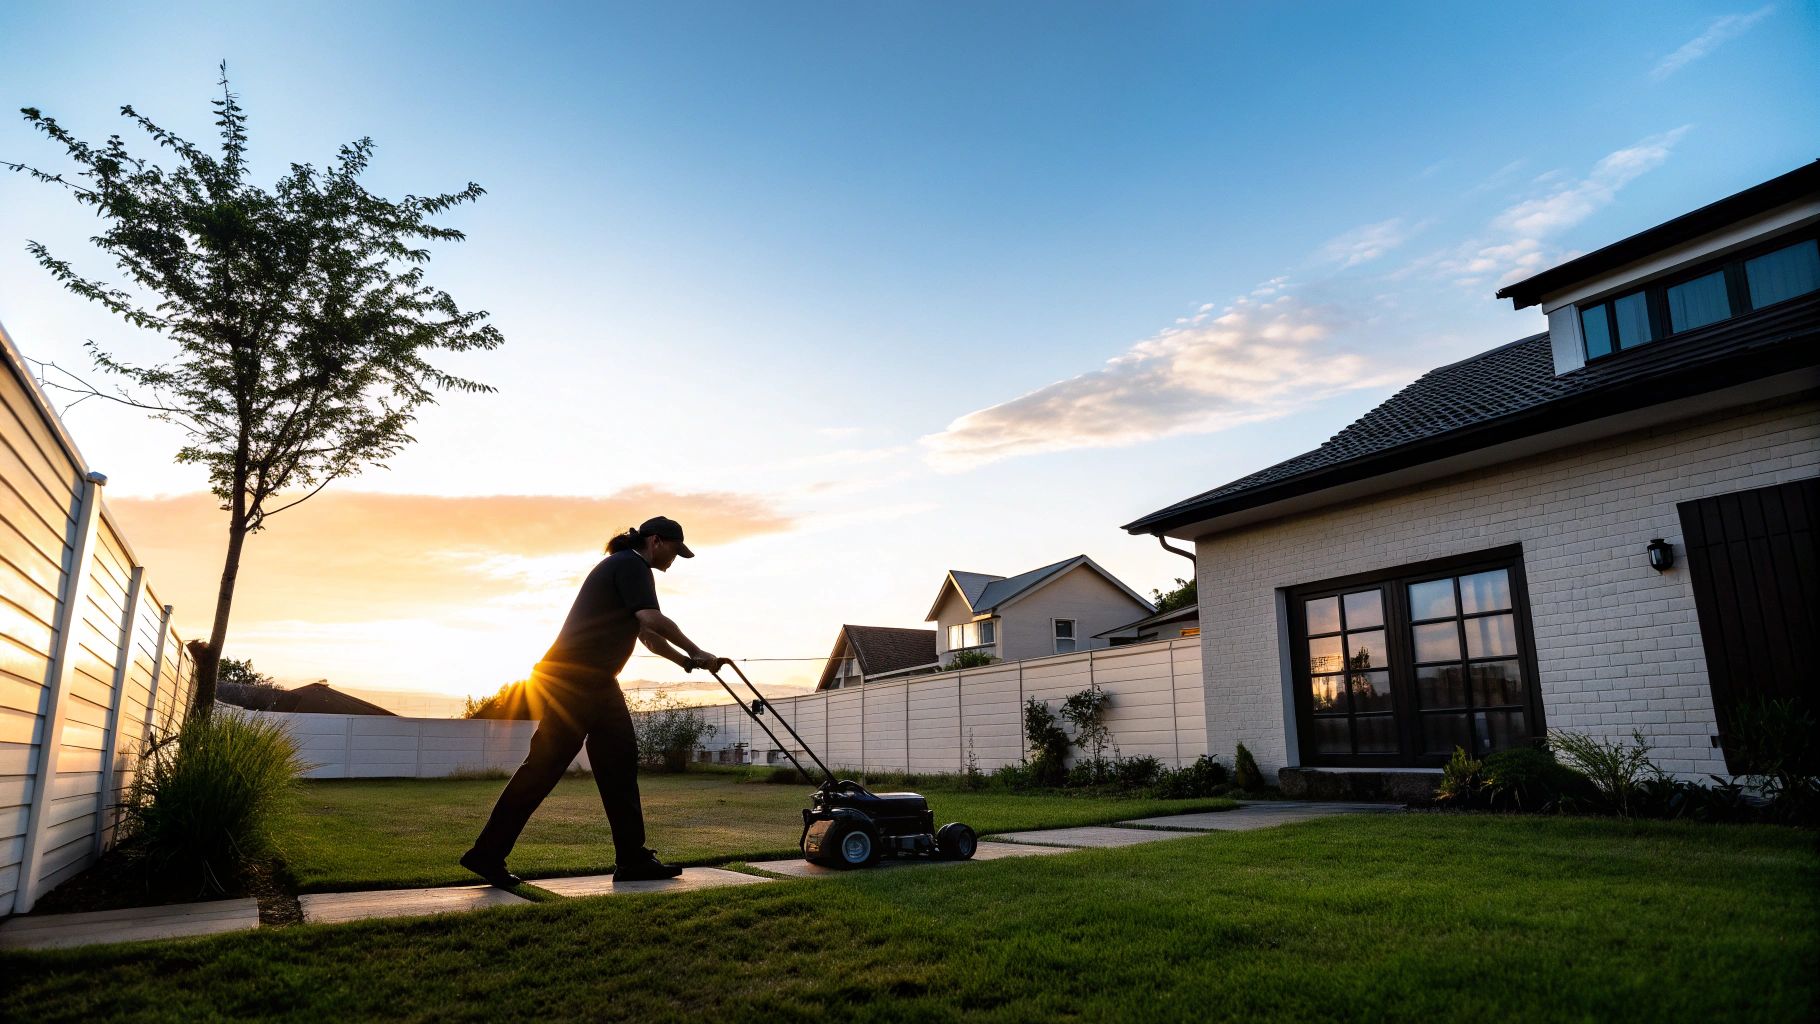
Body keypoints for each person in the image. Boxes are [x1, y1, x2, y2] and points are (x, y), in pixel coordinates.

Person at [460, 515, 726, 887]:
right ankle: (487, 854)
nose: (673, 561)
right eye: (673, 552)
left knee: (618, 764)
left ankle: (631, 859)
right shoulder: (632, 565)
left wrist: (685, 662)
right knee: (544, 767)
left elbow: (647, 634)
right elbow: (652, 617)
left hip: (594, 682)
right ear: (655, 541)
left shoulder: (624, 566)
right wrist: (699, 650)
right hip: (577, 680)